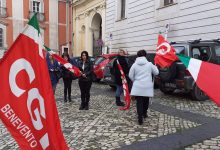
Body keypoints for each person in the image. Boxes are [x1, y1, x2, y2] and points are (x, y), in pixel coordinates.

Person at [129, 50, 159, 125]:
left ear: (137, 56)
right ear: (145, 56)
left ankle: (140, 118)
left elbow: (130, 75)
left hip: (138, 86)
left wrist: (135, 80)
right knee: (146, 101)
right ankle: (144, 113)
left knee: (139, 102)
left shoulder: (134, 65)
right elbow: (157, 73)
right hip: (147, 86)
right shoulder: (149, 64)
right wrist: (155, 67)